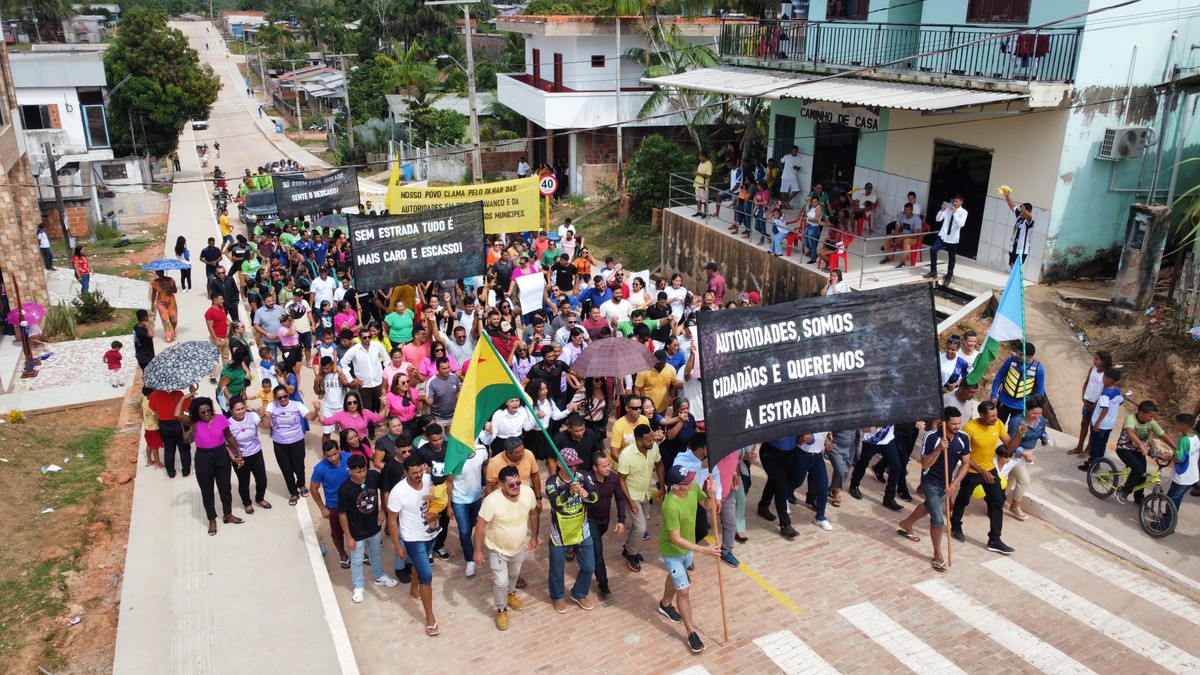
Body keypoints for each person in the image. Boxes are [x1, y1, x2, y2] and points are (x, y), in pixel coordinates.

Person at [896, 407, 972, 572]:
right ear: (944, 423)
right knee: (937, 519)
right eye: (954, 424)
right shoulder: (931, 437)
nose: (958, 426)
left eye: (959, 423)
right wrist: (939, 449)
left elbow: (966, 462)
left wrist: (955, 483)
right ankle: (938, 554)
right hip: (930, 482)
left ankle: (906, 523)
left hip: (947, 483)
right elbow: (924, 464)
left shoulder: (963, 437)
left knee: (929, 505)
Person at [656, 464, 720, 655]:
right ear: (676, 486)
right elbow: (676, 539)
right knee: (683, 592)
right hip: (673, 551)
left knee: (677, 578)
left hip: (688, 547)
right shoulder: (670, 505)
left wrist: (710, 493)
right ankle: (691, 633)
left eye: (691, 478)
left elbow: (708, 506)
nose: (692, 482)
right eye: (687, 481)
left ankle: (665, 605)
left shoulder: (692, 488)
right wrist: (704, 550)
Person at [949, 401, 1023, 554]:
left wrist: (1020, 434)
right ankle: (955, 525)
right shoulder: (969, 429)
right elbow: (963, 456)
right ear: (981, 415)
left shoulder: (998, 424)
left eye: (996, 415)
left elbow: (1010, 447)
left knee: (998, 501)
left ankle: (995, 539)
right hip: (971, 471)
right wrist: (981, 471)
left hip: (990, 470)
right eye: (992, 416)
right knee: (963, 499)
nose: (996, 418)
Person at [474, 464, 539, 631]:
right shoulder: (491, 501)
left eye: (518, 483)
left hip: (518, 547)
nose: (516, 487)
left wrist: (534, 536)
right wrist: (478, 551)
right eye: (511, 485)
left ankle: (511, 595)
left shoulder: (528, 492)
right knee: (500, 581)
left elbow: (533, 512)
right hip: (497, 549)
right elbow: (480, 527)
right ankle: (501, 608)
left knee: (514, 575)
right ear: (501, 484)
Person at [175, 393, 244, 536]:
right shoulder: (194, 423)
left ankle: (228, 514)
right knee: (207, 490)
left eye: (208, 411)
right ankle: (212, 519)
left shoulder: (221, 419)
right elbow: (176, 415)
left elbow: (229, 436)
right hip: (203, 458)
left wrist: (238, 452)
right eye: (202, 412)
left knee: (225, 487)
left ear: (212, 409)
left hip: (221, 456)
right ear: (197, 413)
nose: (206, 414)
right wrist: (183, 398)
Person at [387, 454, 441, 636]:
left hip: (429, 533)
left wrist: (435, 515)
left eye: (420, 471)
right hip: (412, 538)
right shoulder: (397, 492)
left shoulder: (427, 479)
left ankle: (412, 590)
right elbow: (392, 520)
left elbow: (433, 500)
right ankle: (430, 618)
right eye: (414, 473)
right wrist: (397, 546)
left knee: (422, 562)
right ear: (406, 472)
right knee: (427, 575)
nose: (419, 475)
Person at [545, 448, 599, 613]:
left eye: (575, 465)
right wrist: (569, 491)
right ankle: (557, 597)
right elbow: (556, 504)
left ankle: (579, 593)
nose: (574, 469)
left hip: (582, 531)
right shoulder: (551, 482)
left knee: (589, 566)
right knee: (557, 570)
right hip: (559, 535)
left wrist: (587, 496)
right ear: (560, 464)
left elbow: (596, 496)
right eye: (570, 465)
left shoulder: (584, 476)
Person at [339, 454, 398, 603]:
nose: (362, 474)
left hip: (375, 527)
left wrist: (383, 511)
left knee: (376, 553)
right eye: (358, 472)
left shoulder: (373, 476)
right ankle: (358, 587)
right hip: (356, 533)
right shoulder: (345, 489)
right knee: (357, 560)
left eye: (364, 470)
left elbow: (385, 490)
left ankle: (379, 576)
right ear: (350, 471)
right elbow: (342, 515)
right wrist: (348, 536)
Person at [261, 385, 320, 506]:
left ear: (288, 395)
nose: (283, 399)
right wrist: (265, 416)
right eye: (279, 398)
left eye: (285, 396)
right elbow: (266, 425)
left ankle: (301, 484)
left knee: (299, 466)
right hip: (280, 444)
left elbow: (311, 417)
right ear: (275, 398)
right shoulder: (271, 406)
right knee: (286, 469)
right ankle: (293, 492)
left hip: (296, 441)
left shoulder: (297, 405)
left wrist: (317, 410)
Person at [618, 424, 665, 572]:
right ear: (639, 442)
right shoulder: (626, 455)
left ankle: (627, 547)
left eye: (652, 438)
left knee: (638, 526)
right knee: (641, 528)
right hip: (632, 496)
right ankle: (632, 554)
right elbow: (621, 480)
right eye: (649, 440)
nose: (653, 441)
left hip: (647, 493)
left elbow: (659, 465)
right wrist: (630, 502)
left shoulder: (653, 448)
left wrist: (662, 486)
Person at [586, 451, 626, 599]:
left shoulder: (613, 478)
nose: (608, 468)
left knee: (594, 545)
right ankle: (603, 585)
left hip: (604, 521)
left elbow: (620, 499)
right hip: (589, 520)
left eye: (609, 464)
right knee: (598, 550)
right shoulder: (586, 480)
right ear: (595, 468)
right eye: (604, 466)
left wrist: (621, 520)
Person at [1114, 400, 1168, 506]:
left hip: (1138, 451)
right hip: (1124, 449)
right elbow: (1129, 432)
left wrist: (1176, 448)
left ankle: (1139, 498)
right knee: (1138, 469)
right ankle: (1124, 490)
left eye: (1153, 417)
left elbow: (1162, 434)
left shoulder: (1150, 422)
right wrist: (1141, 444)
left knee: (1143, 474)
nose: (1152, 419)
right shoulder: (1131, 418)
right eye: (1150, 416)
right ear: (1141, 413)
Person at [1005, 397, 1050, 520]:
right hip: (1015, 455)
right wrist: (1023, 454)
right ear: (1026, 410)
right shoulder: (1016, 422)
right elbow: (1012, 444)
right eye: (1034, 413)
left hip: (1029, 453)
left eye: (1040, 413)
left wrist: (1045, 439)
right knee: (1024, 480)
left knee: (1012, 479)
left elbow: (1042, 433)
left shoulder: (1041, 421)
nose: (1037, 416)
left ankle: (998, 499)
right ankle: (1014, 506)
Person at [311, 441, 353, 569]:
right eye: (329, 456)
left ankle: (358, 552)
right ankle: (342, 554)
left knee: (356, 529)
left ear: (339, 450)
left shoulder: (349, 458)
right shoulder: (320, 468)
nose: (333, 458)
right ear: (324, 455)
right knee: (337, 532)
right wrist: (322, 508)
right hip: (335, 506)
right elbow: (313, 489)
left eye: (335, 454)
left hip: (352, 501)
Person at [227, 396, 270, 513]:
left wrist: (265, 415)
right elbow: (226, 445)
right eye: (237, 409)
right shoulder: (228, 424)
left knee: (262, 480)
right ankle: (247, 503)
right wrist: (234, 458)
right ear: (231, 411)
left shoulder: (252, 416)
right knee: (244, 482)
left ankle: (259, 498)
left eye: (242, 408)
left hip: (256, 453)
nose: (241, 412)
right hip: (240, 458)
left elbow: (266, 426)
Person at [848, 425, 904, 512]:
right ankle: (854, 486)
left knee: (896, 467)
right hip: (871, 440)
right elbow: (864, 428)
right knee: (863, 463)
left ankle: (889, 498)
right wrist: (877, 427)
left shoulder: (894, 411)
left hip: (888, 441)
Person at [1069, 351, 1114, 457]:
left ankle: (1088, 450)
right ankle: (1079, 446)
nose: (1094, 360)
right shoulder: (1092, 370)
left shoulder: (1107, 375)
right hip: (1088, 402)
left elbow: (1105, 391)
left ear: (1104, 361)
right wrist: (1083, 396)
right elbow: (1086, 383)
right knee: (1084, 423)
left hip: (1097, 404)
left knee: (1092, 427)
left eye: (1097, 359)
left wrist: (1095, 405)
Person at [989, 343, 1045, 423]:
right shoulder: (1011, 360)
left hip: (1021, 407)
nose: (1017, 355)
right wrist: (994, 395)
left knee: (1015, 431)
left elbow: (1040, 390)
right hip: (1003, 402)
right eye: (1017, 353)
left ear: (1030, 356)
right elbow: (999, 377)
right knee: (996, 426)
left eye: (1021, 354)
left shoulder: (1038, 369)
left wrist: (1038, 408)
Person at [1081, 368, 1123, 471]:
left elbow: (1105, 408)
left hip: (1101, 424)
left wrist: (1097, 423)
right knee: (1102, 444)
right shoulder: (1117, 390)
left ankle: (1093, 465)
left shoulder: (1106, 393)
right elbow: (1121, 402)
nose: (1102, 379)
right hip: (1110, 424)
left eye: (1104, 377)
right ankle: (1098, 462)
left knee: (1095, 445)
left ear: (1109, 380)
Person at [1163, 414, 1200, 531]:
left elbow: (1179, 459)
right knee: (1177, 498)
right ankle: (1171, 521)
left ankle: (1167, 525)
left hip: (1183, 476)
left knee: (1171, 499)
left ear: (1181, 426)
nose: (1175, 425)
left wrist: (1165, 457)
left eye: (1176, 423)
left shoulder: (1183, 440)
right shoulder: (1195, 437)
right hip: (1192, 475)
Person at [924, 196, 967, 284]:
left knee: (951, 257)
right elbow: (938, 219)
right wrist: (942, 210)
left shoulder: (963, 212)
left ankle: (949, 275)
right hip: (943, 235)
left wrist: (955, 213)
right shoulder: (948, 209)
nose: (954, 203)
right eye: (953, 201)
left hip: (953, 238)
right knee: (933, 250)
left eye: (956, 201)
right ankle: (933, 271)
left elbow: (961, 224)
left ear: (961, 202)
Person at [149, 388, 191, 478]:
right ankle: (186, 471)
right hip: (179, 424)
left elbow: (153, 408)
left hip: (164, 425)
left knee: (168, 450)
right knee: (184, 449)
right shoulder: (178, 393)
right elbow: (187, 408)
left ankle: (171, 472)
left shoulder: (154, 395)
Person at [1003, 189, 1035, 267]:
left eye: (1023, 211)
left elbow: (1030, 217)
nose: (1021, 212)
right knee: (1012, 268)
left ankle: (1016, 279)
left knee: (1017, 270)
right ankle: (1014, 279)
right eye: (1021, 211)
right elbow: (1013, 206)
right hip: (1013, 249)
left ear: (1028, 211)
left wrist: (1025, 212)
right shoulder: (1019, 217)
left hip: (1021, 251)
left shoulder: (1029, 222)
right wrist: (1007, 197)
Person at [150, 270, 180, 342]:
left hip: (171, 301)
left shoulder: (170, 280)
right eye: (158, 272)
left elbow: (175, 291)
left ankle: (172, 330)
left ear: (163, 272)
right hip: (161, 302)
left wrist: (170, 286)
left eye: (161, 272)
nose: (160, 274)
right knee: (165, 319)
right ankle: (169, 335)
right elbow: (154, 293)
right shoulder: (155, 282)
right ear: (157, 273)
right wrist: (152, 303)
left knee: (174, 318)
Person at [141, 387, 163, 468]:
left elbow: (141, 410)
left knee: (149, 444)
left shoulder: (144, 399)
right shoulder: (151, 402)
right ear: (150, 394)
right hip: (153, 428)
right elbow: (155, 416)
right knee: (155, 447)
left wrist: (144, 420)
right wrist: (160, 425)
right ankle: (158, 463)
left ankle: (149, 460)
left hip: (147, 427)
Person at [692, 151, 713, 218]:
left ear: (704, 157)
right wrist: (696, 173)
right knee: (698, 199)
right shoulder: (701, 163)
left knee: (704, 200)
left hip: (703, 185)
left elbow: (708, 176)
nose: (699, 158)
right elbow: (700, 172)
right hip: (697, 184)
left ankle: (705, 213)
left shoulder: (709, 164)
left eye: (700, 157)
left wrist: (698, 174)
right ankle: (699, 212)